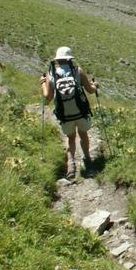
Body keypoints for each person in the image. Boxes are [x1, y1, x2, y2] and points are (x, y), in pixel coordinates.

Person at [40, 46, 99, 179]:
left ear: (57, 60)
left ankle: (71, 164)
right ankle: (87, 158)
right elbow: (90, 90)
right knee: (83, 134)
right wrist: (95, 86)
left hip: (65, 115)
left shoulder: (51, 74)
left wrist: (43, 83)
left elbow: (48, 97)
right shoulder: (77, 71)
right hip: (80, 111)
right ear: (69, 59)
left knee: (71, 137)